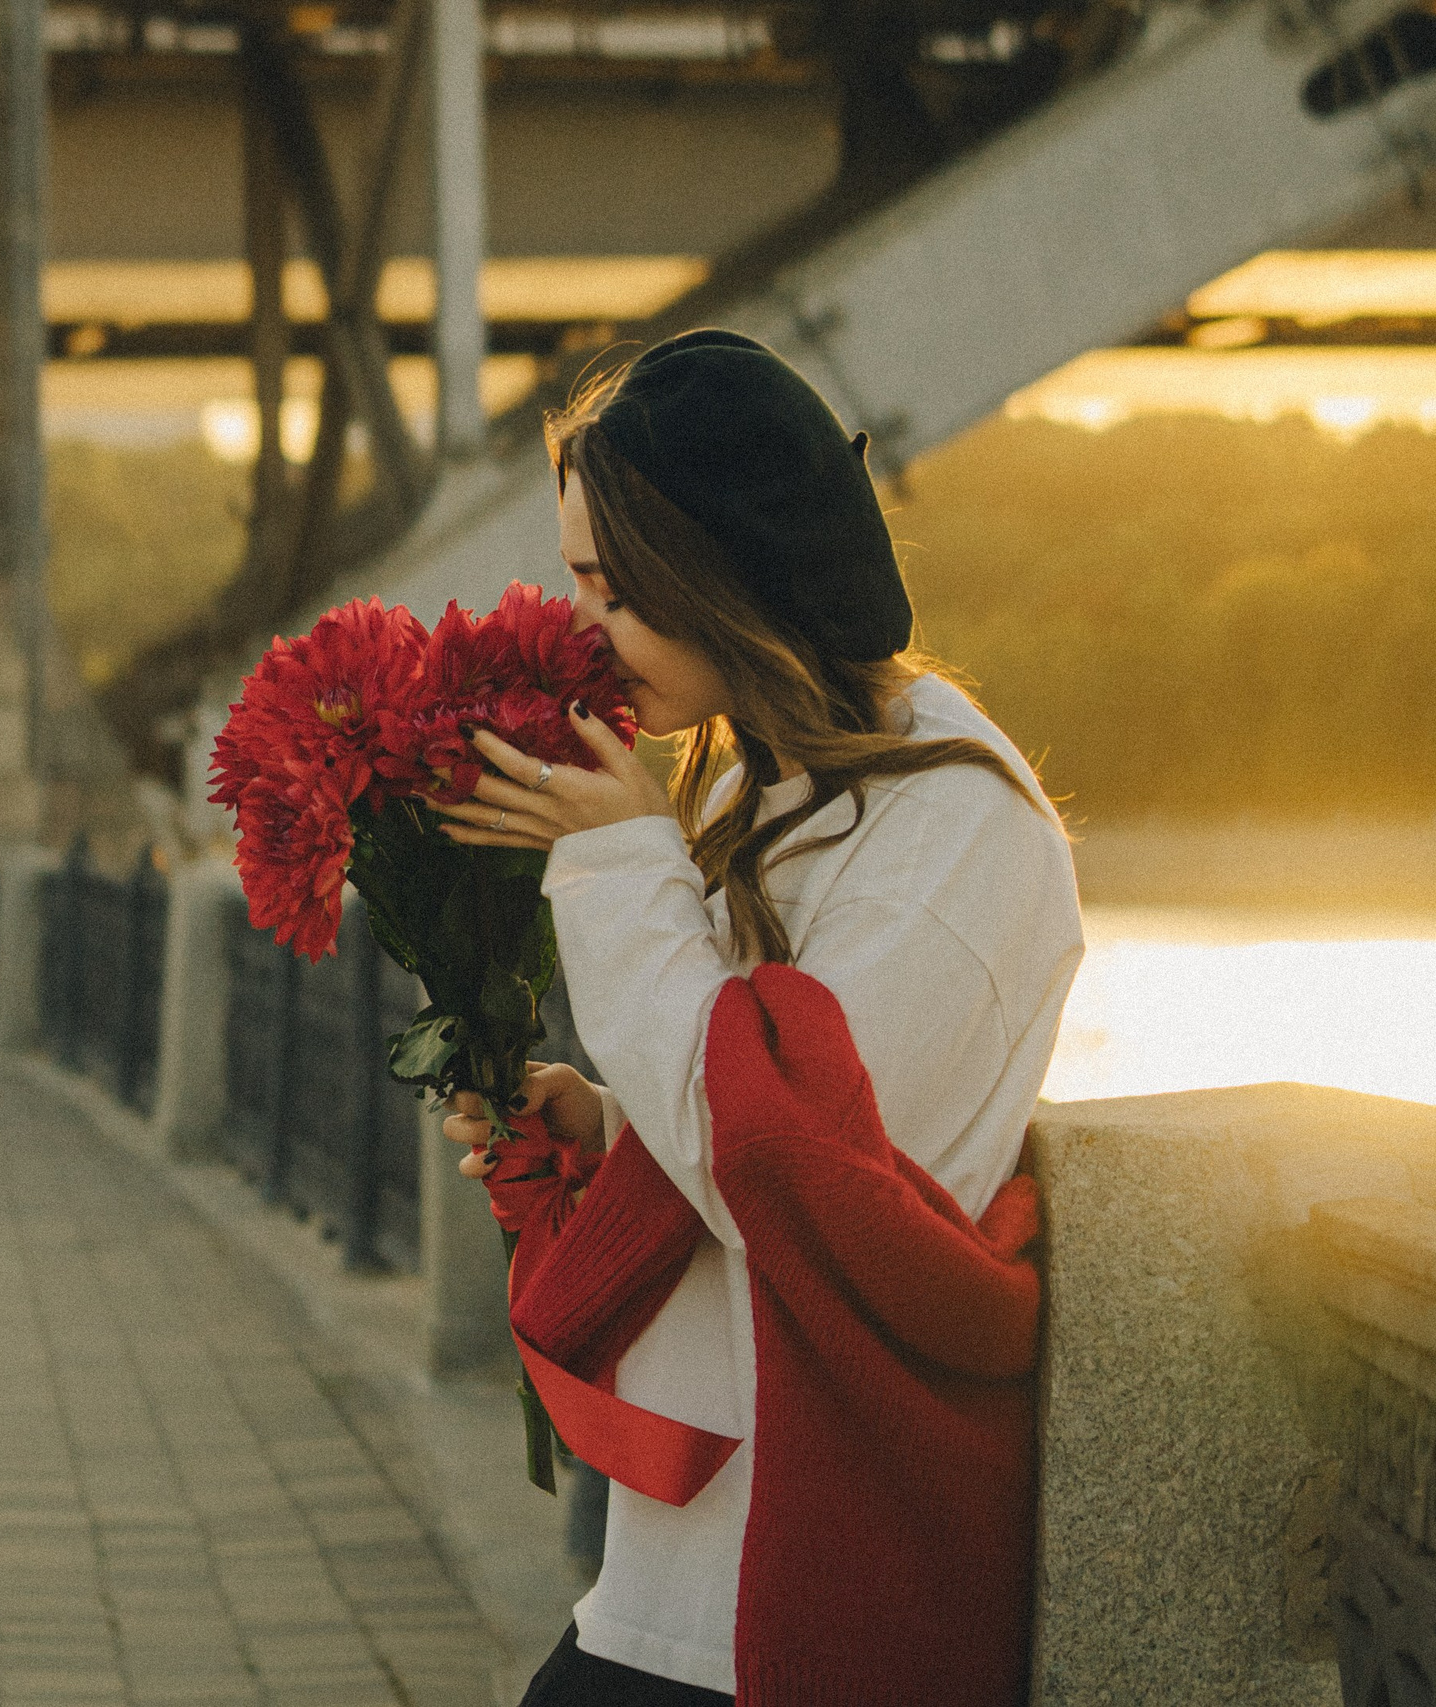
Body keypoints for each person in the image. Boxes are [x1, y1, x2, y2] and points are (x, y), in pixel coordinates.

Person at [429, 329, 1084, 1707]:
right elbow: (744, 1122)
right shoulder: (752, 783)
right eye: (576, 588)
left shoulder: (958, 824)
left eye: (616, 591)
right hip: (669, 1591)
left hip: (800, 1591)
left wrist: (615, 863)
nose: (582, 636)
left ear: (718, 571)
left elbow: (787, 1169)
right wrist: (607, 1128)